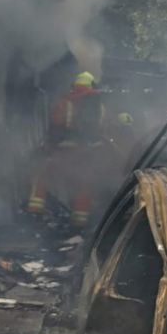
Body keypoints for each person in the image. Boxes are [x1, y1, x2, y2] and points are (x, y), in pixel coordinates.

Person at [26, 71, 105, 228]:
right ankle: (80, 221)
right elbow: (102, 130)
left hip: (65, 151)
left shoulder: (65, 103)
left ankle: (35, 211)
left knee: (42, 175)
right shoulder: (100, 107)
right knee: (84, 184)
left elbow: (55, 126)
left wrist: (49, 146)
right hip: (88, 153)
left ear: (75, 85)